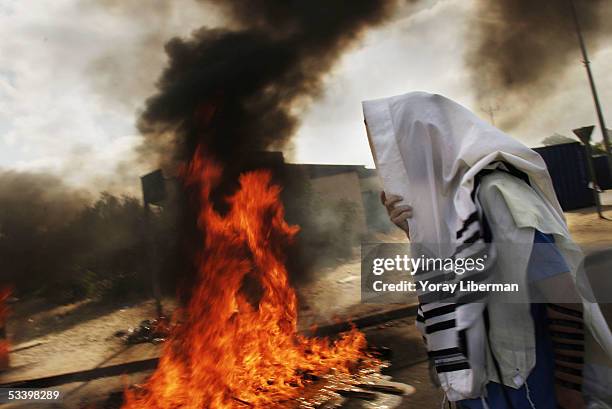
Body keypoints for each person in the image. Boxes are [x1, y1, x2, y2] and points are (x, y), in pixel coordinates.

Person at [363, 92, 612, 408]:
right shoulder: (441, 209)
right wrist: (414, 232)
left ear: (423, 144)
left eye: (391, 152)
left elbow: (561, 293)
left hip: (525, 392)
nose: (385, 167)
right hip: (474, 388)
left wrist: (568, 387)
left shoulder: (496, 193)